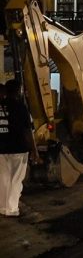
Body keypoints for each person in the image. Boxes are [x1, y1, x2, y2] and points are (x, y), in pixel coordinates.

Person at [0, 80, 42, 217]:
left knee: (3, 178)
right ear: (18, 91)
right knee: (16, 179)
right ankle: (11, 209)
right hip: (18, 148)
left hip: (1, 148)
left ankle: (3, 207)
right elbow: (27, 131)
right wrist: (34, 150)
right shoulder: (20, 107)